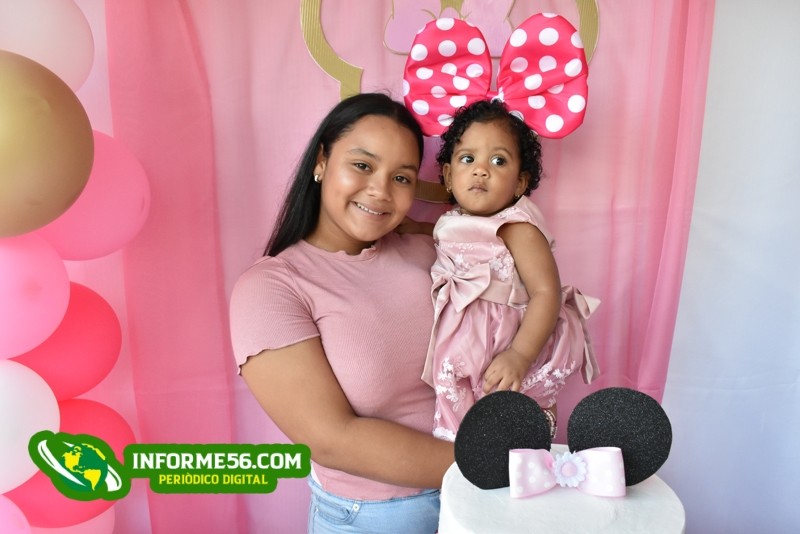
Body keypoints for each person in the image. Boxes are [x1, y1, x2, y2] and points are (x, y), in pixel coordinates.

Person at [229, 93, 453, 533]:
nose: (380, 191)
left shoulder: (430, 252)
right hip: (379, 518)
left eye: (401, 178)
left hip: (477, 501)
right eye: (363, 165)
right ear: (321, 161)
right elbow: (331, 439)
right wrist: (497, 466)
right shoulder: (272, 288)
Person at [402, 99, 600, 442]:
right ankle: (457, 459)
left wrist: (520, 355)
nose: (481, 170)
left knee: (503, 419)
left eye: (498, 161)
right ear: (448, 175)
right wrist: (413, 228)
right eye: (468, 159)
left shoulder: (518, 227)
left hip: (501, 339)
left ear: (520, 183)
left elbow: (546, 292)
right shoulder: (450, 221)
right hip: (461, 340)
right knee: (458, 424)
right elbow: (451, 236)